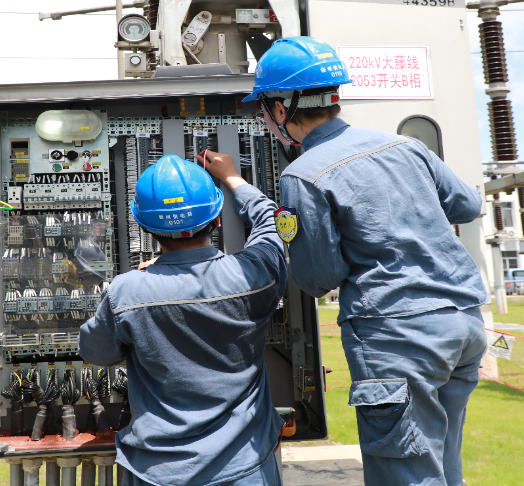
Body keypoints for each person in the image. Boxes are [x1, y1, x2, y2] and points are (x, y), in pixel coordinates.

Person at [240, 35, 489, 486]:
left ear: (280, 108)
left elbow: (320, 277)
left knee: (406, 472)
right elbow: (468, 205)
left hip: (398, 336)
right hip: (464, 324)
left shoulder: (304, 174)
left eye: (264, 110)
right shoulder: (404, 146)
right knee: (442, 463)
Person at [79, 153, 287, 486]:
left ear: (144, 228)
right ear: (216, 218)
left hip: (158, 471)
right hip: (245, 466)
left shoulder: (127, 292)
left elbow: (96, 353)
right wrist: (231, 177)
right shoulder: (255, 275)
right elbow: (273, 222)